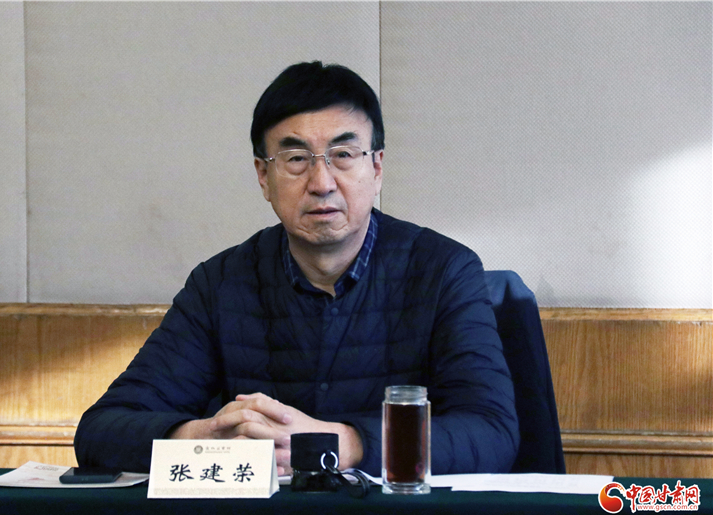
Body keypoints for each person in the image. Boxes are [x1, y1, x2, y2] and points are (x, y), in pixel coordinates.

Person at [75, 61, 519, 477]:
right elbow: (100, 432)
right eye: (296, 159)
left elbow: (492, 433)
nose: (321, 183)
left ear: (377, 168)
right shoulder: (220, 284)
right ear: (263, 176)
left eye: (343, 154)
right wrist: (201, 437)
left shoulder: (443, 271)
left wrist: (342, 444)